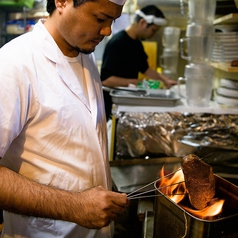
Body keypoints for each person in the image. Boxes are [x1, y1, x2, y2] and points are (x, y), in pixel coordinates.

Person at [0, 0, 130, 237]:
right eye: (100, 19)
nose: (107, 31)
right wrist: (74, 206)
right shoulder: (13, 64)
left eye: (113, 20)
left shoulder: (84, 54)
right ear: (61, 2)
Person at [101, 5, 177, 120]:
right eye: (153, 30)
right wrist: (138, 83)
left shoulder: (137, 44)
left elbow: (146, 69)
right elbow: (106, 81)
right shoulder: (117, 43)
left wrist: (165, 80)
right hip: (113, 107)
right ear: (142, 22)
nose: (154, 35)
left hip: (127, 103)